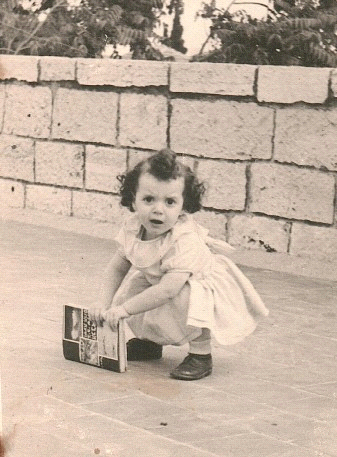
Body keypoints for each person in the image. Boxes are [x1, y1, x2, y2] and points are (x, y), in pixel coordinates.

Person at [90, 149, 269, 381]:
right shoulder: (133, 228)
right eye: (148, 199)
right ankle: (150, 343)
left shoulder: (183, 239)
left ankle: (201, 354)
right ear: (133, 199)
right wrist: (103, 303)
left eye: (170, 202)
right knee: (136, 290)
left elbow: (168, 290)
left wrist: (123, 310)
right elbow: (117, 267)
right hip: (160, 279)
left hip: (194, 282)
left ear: (184, 206)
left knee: (187, 302)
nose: (158, 209)